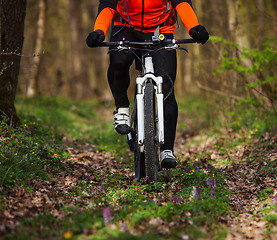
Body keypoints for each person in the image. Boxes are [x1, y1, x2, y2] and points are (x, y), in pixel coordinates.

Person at [86, 0, 209, 169]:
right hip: (125, 28)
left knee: (166, 86)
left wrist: (194, 27)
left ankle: (167, 150)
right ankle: (122, 108)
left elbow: (182, 3)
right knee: (119, 62)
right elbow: (107, 5)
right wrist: (99, 30)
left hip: (160, 29)